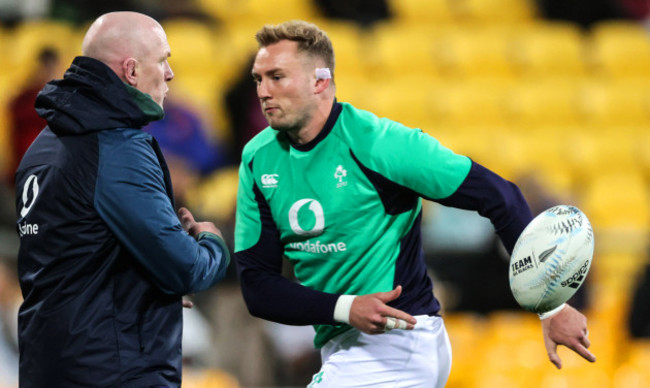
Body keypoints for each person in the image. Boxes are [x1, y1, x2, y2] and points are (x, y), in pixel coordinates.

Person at [233, 20, 595, 387]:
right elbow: (258, 287)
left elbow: (500, 195)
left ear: (319, 81)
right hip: (342, 346)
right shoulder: (257, 159)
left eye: (277, 77)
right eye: (258, 79)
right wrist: (346, 308)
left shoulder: (380, 144)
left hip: (400, 339)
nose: (263, 91)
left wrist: (550, 304)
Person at [14, 11, 230, 387]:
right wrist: (212, 243)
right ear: (131, 71)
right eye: (163, 60)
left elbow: (79, 258)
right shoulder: (117, 149)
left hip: (48, 366)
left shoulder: (41, 149)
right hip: (116, 371)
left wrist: (141, 286)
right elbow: (183, 267)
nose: (170, 73)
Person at [6, 46, 60, 186]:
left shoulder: (60, 98)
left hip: (51, 169)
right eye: (45, 67)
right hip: (26, 166)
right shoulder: (24, 98)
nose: (48, 72)